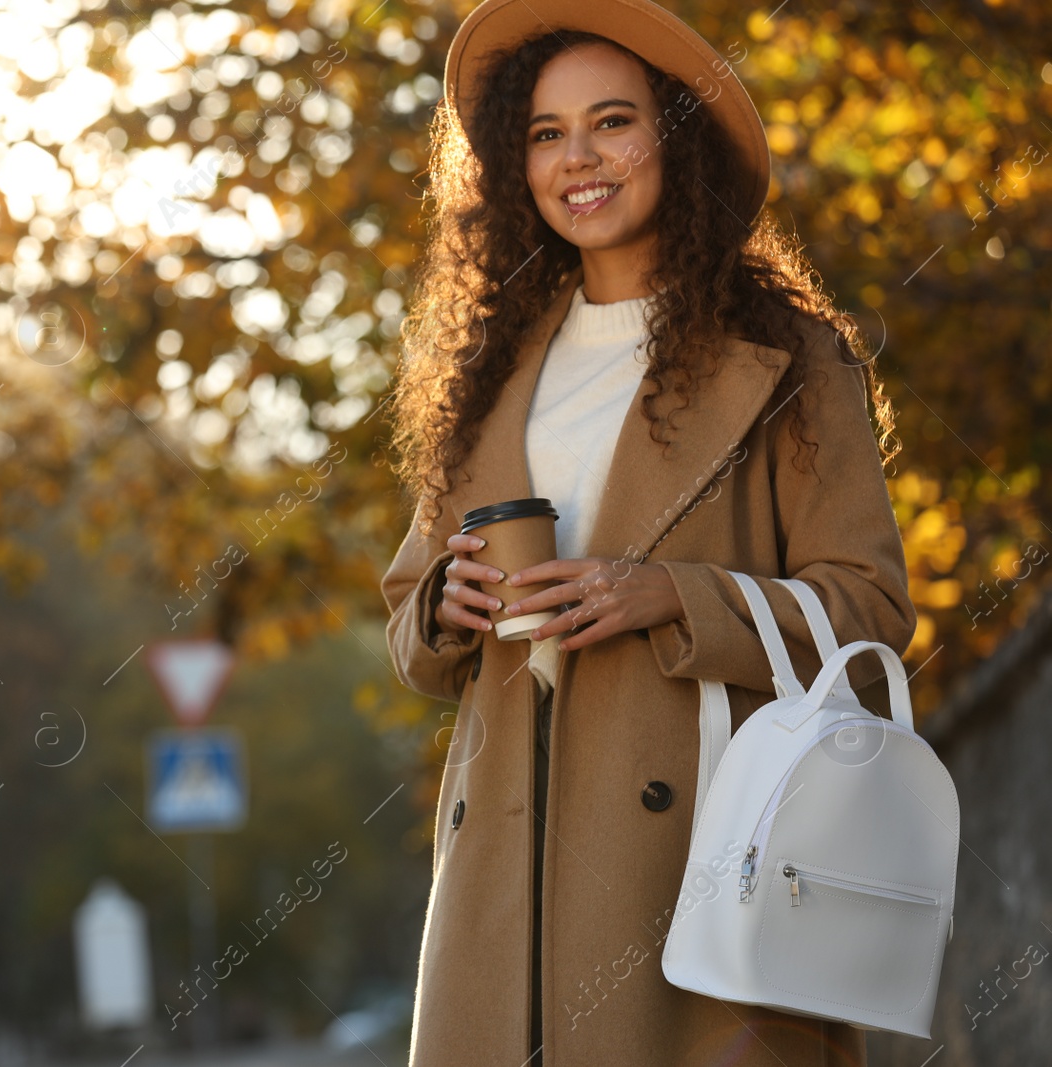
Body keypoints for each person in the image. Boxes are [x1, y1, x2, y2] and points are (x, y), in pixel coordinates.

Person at [377, 0, 917, 1064]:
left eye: (611, 122)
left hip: (701, 873)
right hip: (497, 895)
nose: (577, 158)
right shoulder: (481, 373)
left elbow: (870, 606)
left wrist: (672, 593)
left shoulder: (789, 357)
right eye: (544, 132)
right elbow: (406, 620)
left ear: (675, 136)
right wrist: (444, 600)